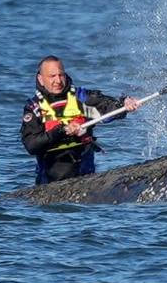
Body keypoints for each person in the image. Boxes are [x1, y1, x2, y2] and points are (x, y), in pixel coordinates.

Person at [21, 55, 140, 185]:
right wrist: (62, 130)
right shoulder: (34, 108)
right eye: (52, 76)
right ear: (41, 79)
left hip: (85, 174)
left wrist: (124, 104)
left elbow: (108, 107)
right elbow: (31, 145)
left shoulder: (81, 97)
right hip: (50, 179)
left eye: (61, 75)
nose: (58, 81)